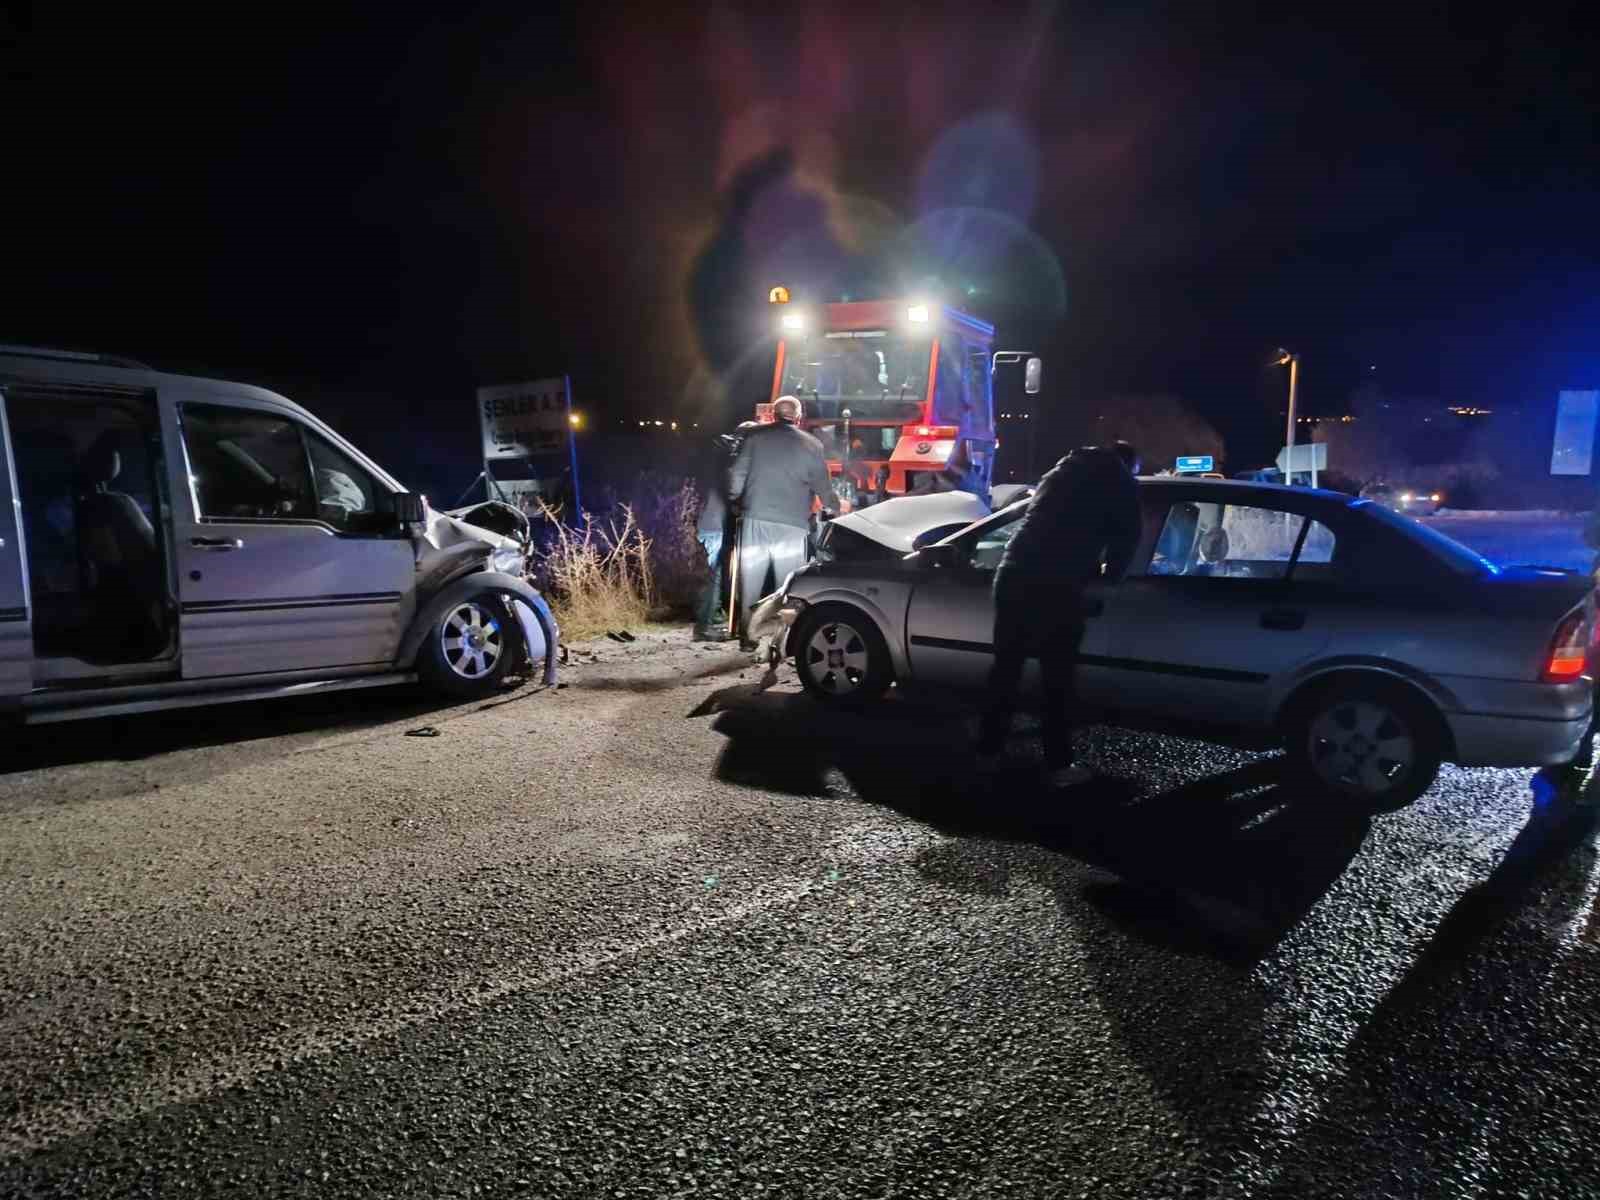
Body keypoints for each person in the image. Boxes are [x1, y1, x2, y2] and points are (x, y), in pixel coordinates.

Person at [976, 440, 1143, 788]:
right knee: (1057, 677)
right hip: (1057, 584)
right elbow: (1128, 537)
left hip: (1012, 573)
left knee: (1005, 669)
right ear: (1130, 464)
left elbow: (1034, 521)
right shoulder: (1121, 479)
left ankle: (987, 753)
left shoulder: (1060, 471)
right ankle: (1058, 765)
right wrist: (1110, 577)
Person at [727, 395, 835, 647]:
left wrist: (735, 500)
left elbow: (737, 475)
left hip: (755, 518)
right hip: (793, 525)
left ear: (773, 414)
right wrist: (834, 507)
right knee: (786, 586)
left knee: (750, 581)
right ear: (798, 417)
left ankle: (748, 637)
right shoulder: (812, 445)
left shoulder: (753, 438)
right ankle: (781, 641)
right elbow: (823, 486)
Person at [692, 437, 734, 641]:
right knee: (716, 575)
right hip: (716, 527)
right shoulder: (730, 471)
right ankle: (704, 625)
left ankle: (714, 617)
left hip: (711, 525)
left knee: (719, 573)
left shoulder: (720, 466)